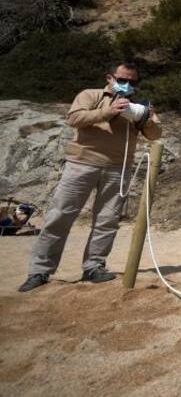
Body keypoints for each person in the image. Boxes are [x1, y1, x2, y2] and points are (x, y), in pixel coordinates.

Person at [18, 63, 162, 293]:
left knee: (107, 220)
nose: (128, 85)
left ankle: (94, 267)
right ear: (110, 78)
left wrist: (145, 118)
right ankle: (39, 271)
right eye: (123, 79)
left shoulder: (139, 106)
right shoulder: (90, 95)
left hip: (118, 168)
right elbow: (74, 118)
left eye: (133, 82)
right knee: (60, 216)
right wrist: (108, 111)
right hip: (81, 164)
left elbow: (155, 135)